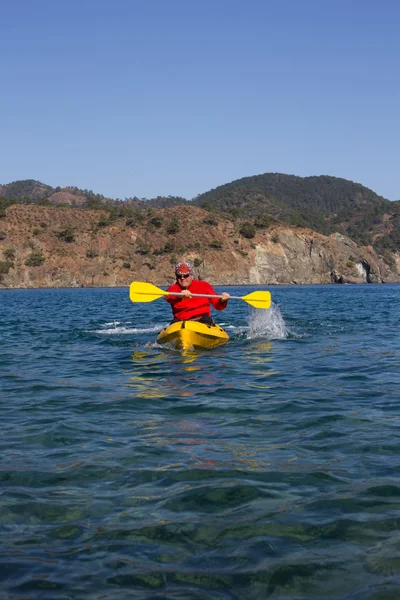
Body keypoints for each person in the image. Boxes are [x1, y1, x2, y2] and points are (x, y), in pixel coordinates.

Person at [165, 261, 230, 325]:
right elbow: (168, 297)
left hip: (202, 318)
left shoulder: (204, 286)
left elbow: (218, 305)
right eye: (179, 276)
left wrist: (222, 300)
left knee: (206, 320)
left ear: (191, 275)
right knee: (174, 323)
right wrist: (180, 295)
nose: (182, 278)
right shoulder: (173, 288)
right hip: (181, 320)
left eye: (186, 275)